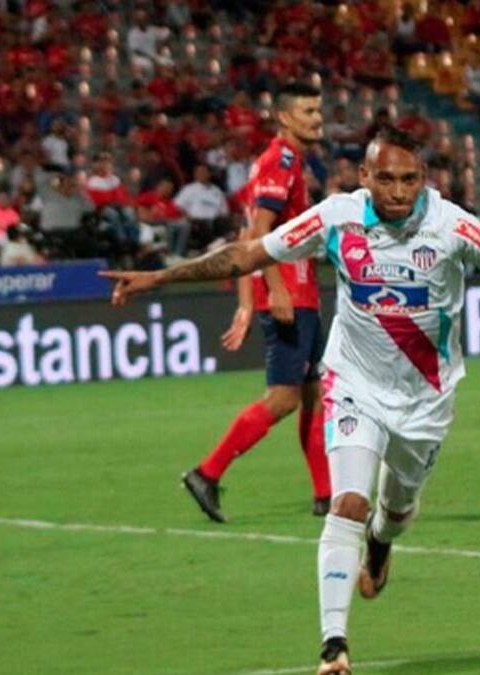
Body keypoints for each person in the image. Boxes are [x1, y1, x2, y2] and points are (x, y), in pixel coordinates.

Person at [101, 126, 480, 674]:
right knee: (348, 502)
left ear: (424, 178)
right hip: (354, 383)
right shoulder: (337, 217)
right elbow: (246, 255)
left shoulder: (453, 226)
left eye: (409, 180)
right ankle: (334, 645)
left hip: (425, 399)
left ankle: (381, 542)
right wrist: (159, 278)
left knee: (395, 513)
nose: (399, 192)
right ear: (364, 177)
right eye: (386, 179)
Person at [177, 84, 334, 523]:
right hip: (289, 296)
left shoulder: (289, 162)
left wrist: (246, 303)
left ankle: (326, 494)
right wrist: (275, 290)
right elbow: (259, 235)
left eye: (318, 110)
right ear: (284, 118)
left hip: (301, 293)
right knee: (283, 399)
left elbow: (248, 235)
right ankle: (207, 473)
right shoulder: (280, 161)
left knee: (315, 394)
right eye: (307, 111)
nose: (317, 118)